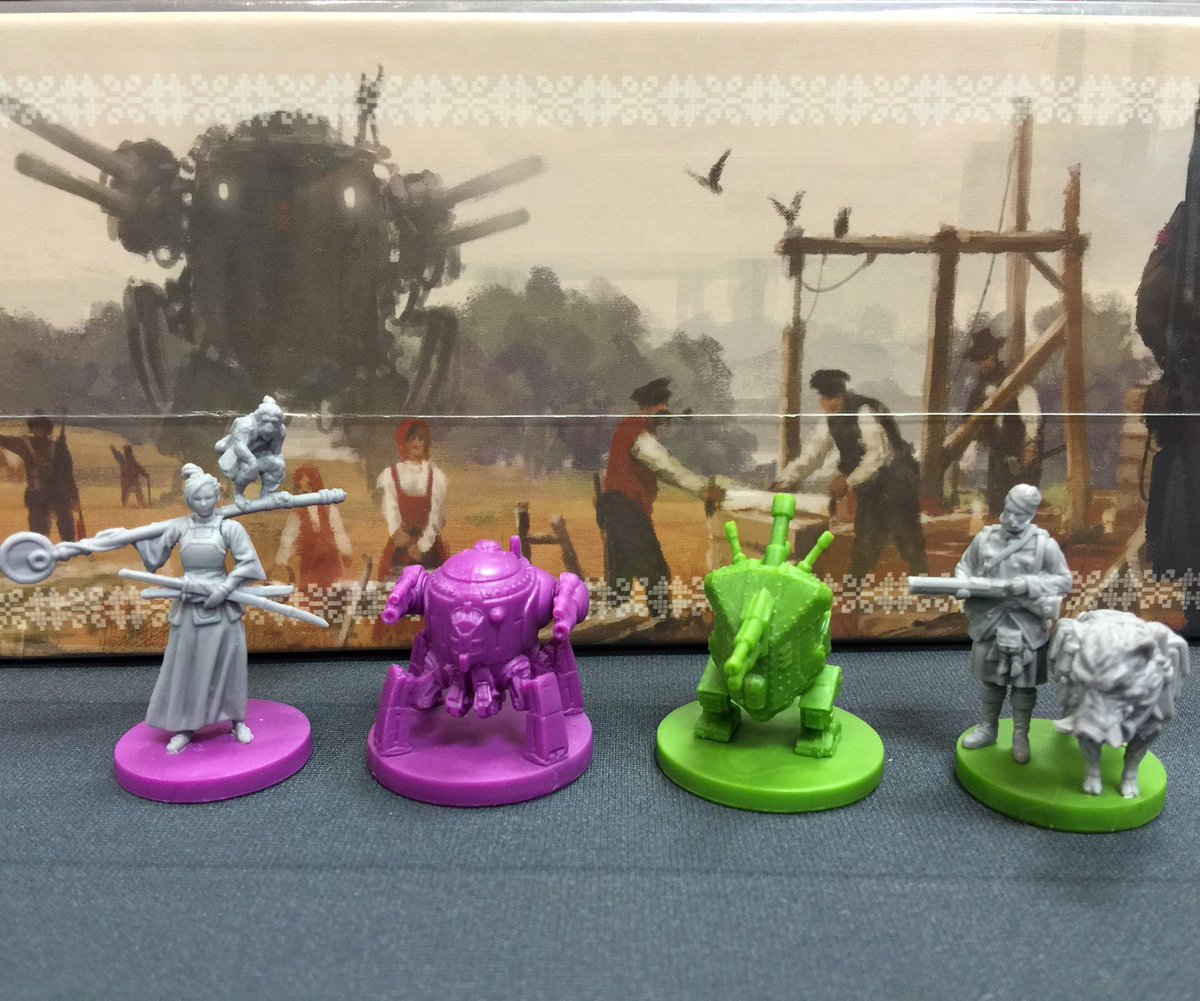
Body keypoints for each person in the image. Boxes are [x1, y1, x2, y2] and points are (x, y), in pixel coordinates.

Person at [134, 464, 265, 754]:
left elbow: (249, 564)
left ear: (216, 497)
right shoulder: (179, 527)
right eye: (197, 499)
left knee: (228, 666)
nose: (204, 504)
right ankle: (185, 726)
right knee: (187, 667)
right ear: (188, 500)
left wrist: (225, 589)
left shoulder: (229, 527)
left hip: (222, 607)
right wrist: (136, 539)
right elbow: (154, 559)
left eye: (208, 497)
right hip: (189, 606)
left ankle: (237, 721)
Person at [954, 484, 1072, 764]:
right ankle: (988, 728)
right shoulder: (985, 539)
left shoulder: (1044, 545)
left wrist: (1029, 584)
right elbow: (964, 566)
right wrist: (962, 584)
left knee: (1023, 686)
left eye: (1020, 515)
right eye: (1009, 511)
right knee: (990, 681)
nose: (1011, 519)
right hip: (990, 621)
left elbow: (1064, 580)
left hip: (1026, 625)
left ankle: (1021, 736)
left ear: (1031, 514)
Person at [773, 369, 927, 579]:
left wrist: (848, 481)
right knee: (866, 539)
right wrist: (784, 480)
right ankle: (852, 589)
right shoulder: (829, 421)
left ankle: (924, 584)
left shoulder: (864, 411)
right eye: (826, 398)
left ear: (842, 394)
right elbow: (812, 456)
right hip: (871, 486)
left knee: (908, 537)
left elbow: (879, 454)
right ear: (821, 399)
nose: (831, 403)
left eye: (835, 397)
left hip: (898, 482)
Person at [595, 377, 726, 617]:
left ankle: (613, 618)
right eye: (661, 408)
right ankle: (662, 620)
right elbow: (667, 467)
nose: (665, 414)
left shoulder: (633, 429)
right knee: (654, 571)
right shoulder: (639, 434)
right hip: (626, 509)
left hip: (616, 508)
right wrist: (703, 490)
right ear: (648, 407)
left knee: (622, 570)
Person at [959, 327, 1043, 516]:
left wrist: (1030, 446)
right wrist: (967, 457)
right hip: (997, 457)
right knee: (997, 506)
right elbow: (970, 425)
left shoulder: (1014, 383)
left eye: (985, 358)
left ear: (994, 356)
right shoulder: (978, 391)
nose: (982, 364)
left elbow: (1031, 415)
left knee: (1021, 507)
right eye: (978, 361)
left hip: (1021, 454)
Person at [376, 419, 448, 579]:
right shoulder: (392, 474)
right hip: (401, 545)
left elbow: (437, 516)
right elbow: (391, 511)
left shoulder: (436, 475)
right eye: (412, 439)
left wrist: (422, 546)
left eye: (420, 438)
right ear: (404, 443)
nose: (416, 442)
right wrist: (403, 540)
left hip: (429, 548)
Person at [0, 411, 82, 541]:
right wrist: (74, 496)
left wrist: (74, 496)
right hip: (45, 495)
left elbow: (67, 475)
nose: (39, 431)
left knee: (60, 533)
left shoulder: (51, 446)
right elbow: (68, 476)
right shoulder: (52, 446)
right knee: (44, 534)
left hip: (50, 495)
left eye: (40, 428)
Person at [274, 463, 353, 591]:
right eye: (300, 486)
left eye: (309, 485)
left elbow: (339, 532)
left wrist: (346, 552)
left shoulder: (329, 509)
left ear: (316, 485)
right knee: (310, 592)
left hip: (329, 560)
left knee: (331, 591)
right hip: (309, 562)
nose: (305, 490)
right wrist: (281, 561)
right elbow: (288, 538)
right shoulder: (297, 513)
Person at [214, 395, 287, 506]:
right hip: (241, 453)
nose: (269, 426)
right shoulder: (247, 425)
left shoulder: (280, 430)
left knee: (278, 465)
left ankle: (267, 494)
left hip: (261, 454)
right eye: (266, 421)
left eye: (273, 422)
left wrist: (280, 466)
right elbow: (240, 447)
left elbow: (276, 452)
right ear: (259, 419)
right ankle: (238, 494)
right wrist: (252, 461)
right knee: (250, 467)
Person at [111, 443, 151, 508]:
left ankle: (141, 505)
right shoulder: (128, 461)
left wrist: (145, 474)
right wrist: (145, 474)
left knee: (136, 493)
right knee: (132, 494)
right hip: (128, 482)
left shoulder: (128, 461)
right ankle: (128, 505)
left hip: (130, 482)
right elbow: (140, 469)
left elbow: (139, 469)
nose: (128, 453)